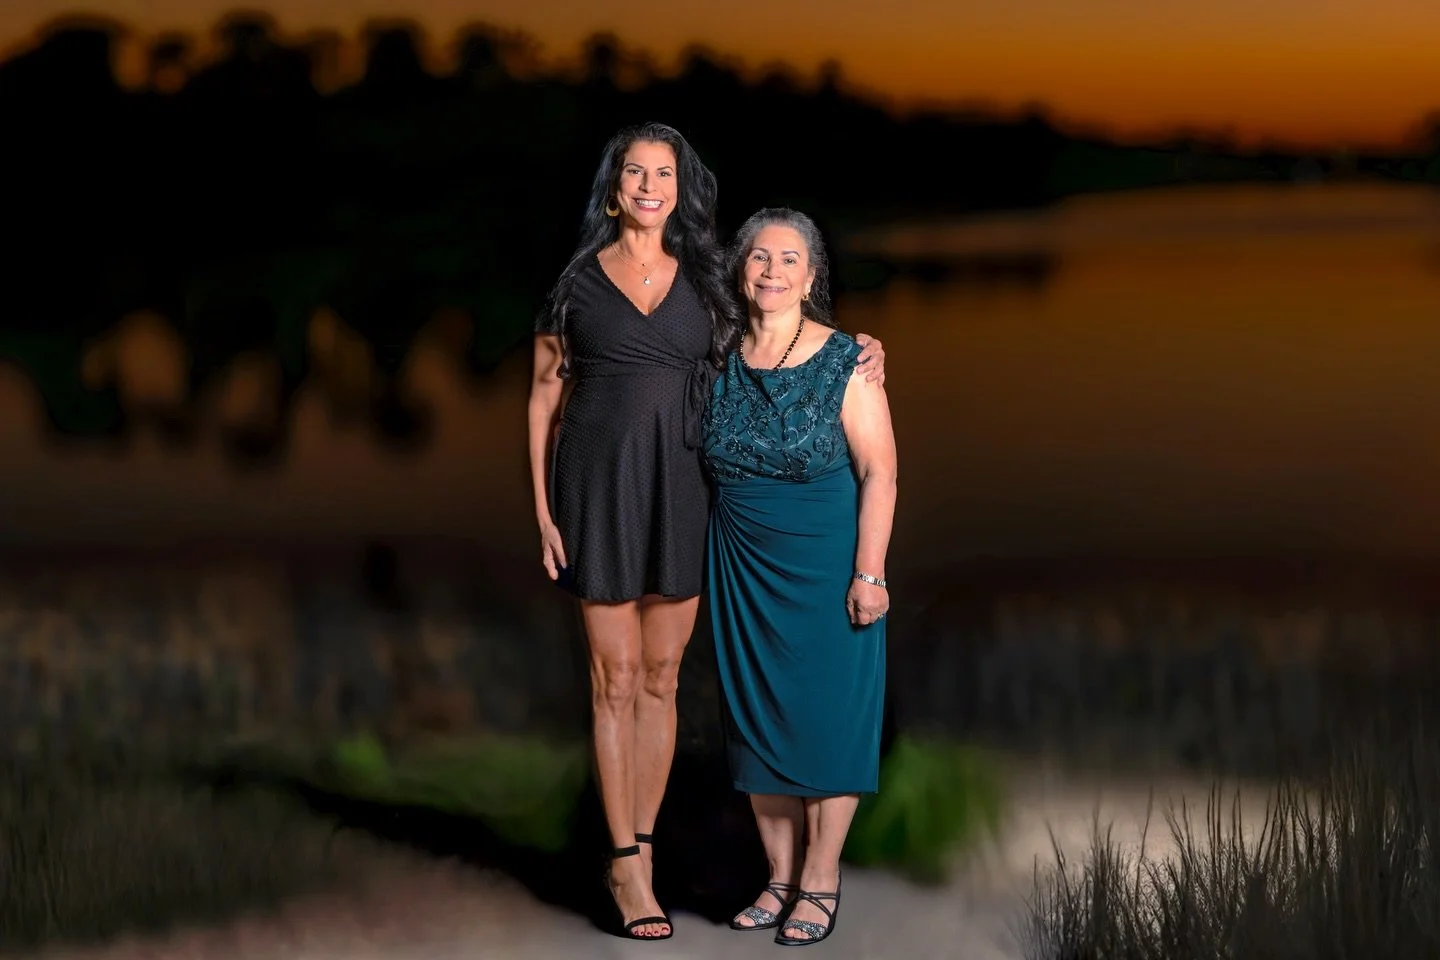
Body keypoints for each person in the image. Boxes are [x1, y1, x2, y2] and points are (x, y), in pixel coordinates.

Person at [527, 123, 887, 940]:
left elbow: (776, 341)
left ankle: (650, 844)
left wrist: (861, 352)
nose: (651, 185)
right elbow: (544, 399)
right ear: (613, 189)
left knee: (662, 680)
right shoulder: (573, 283)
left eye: (666, 172)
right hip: (598, 492)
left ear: (680, 189)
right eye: (635, 171)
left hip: (688, 494)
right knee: (612, 681)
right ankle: (628, 867)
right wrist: (544, 511)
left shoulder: (712, 282)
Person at [701, 207, 898, 946]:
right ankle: (778, 877)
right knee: (758, 721)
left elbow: (881, 472)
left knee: (829, 722)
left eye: (789, 260)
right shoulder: (716, 356)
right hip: (741, 565)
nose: (772, 271)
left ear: (812, 277)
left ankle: (821, 879)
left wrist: (870, 573)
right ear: (740, 270)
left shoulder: (847, 359)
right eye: (759, 258)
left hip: (826, 562)